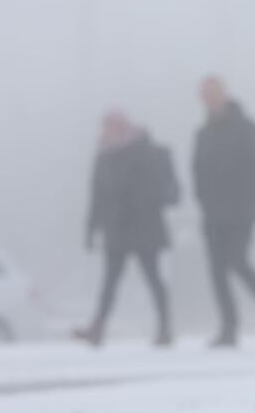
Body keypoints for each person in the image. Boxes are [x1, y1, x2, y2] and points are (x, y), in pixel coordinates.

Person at [75, 110, 179, 347]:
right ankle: (98, 327)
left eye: (112, 126)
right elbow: (97, 196)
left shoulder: (145, 151)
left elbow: (158, 188)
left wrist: (143, 201)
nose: (107, 131)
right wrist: (91, 229)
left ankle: (165, 327)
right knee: (110, 281)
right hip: (117, 229)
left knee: (153, 278)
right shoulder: (104, 157)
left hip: (144, 227)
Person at [194, 76, 255, 347]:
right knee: (217, 271)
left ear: (223, 94)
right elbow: (197, 170)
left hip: (242, 210)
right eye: (204, 94)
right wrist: (204, 200)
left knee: (236, 260)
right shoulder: (203, 133)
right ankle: (229, 327)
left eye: (212, 93)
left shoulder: (246, 128)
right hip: (213, 212)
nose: (208, 99)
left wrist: (253, 201)